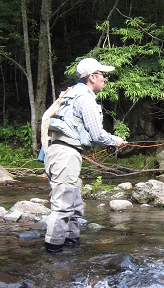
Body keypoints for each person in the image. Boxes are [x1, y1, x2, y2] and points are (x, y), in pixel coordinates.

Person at [40, 57, 126, 253]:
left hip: (61, 152)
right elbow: (96, 134)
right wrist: (114, 140)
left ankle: (71, 244)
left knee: (74, 201)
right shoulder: (85, 98)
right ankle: (53, 251)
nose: (105, 79)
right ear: (92, 77)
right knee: (63, 204)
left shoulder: (71, 93)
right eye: (102, 75)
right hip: (65, 154)